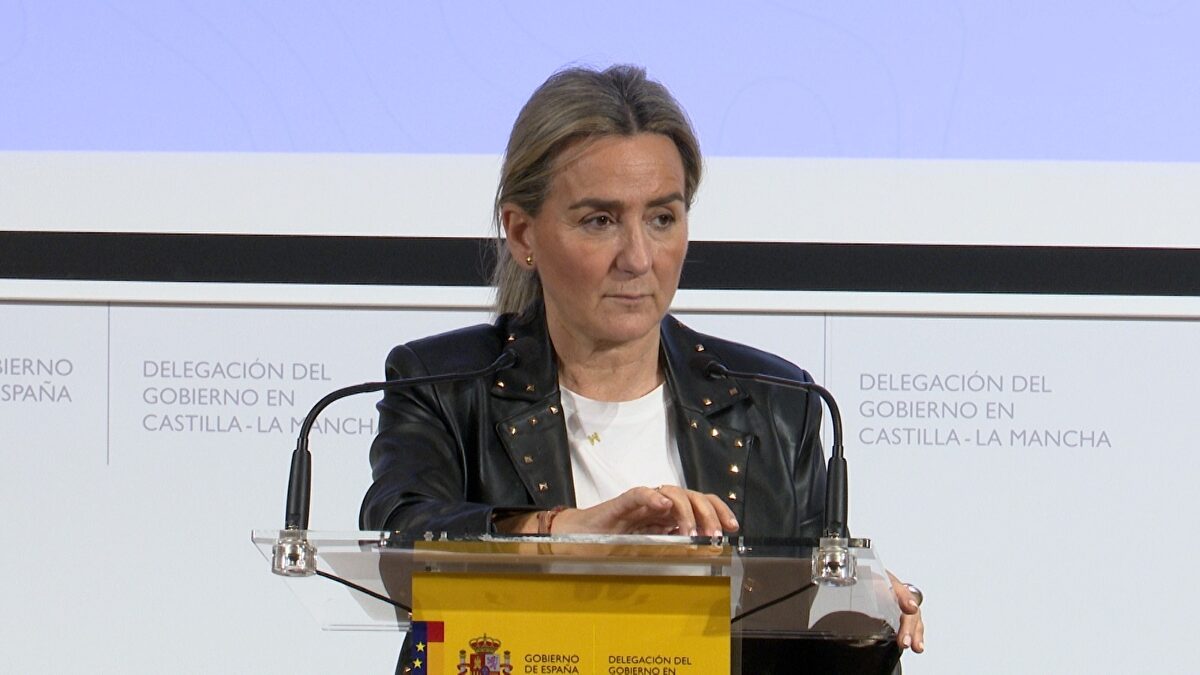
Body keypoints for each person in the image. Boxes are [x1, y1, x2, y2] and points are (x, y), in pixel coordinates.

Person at [360, 64, 924, 655]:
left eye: (661, 218)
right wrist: (560, 534)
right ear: (523, 234)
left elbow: (807, 639)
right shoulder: (446, 385)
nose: (637, 257)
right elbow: (395, 543)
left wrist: (867, 622)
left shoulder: (778, 403)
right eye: (600, 221)